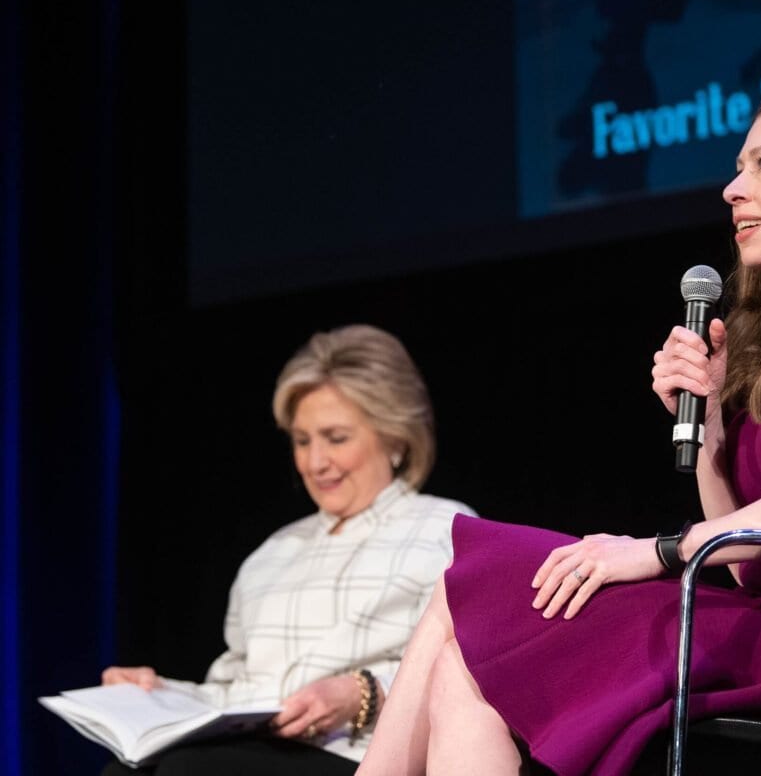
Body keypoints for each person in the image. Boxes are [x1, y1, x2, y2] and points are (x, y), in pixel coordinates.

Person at [354, 90, 761, 776]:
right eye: (737, 167)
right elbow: (747, 565)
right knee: (470, 638)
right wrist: (712, 424)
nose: (733, 189)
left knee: (475, 594)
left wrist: (655, 551)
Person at [99, 324, 478, 775]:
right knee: (124, 771)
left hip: (360, 755)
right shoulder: (270, 555)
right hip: (249, 750)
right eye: (302, 441)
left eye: (336, 438)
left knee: (192, 771)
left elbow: (476, 672)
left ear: (395, 437)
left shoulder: (445, 529)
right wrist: (152, 695)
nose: (315, 462)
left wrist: (362, 694)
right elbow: (232, 692)